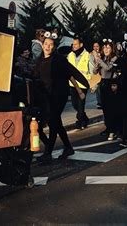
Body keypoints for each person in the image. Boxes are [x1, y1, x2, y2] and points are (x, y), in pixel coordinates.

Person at [35, 33, 89, 163]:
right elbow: (35, 76)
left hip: (59, 95)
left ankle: (48, 152)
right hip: (46, 96)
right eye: (46, 44)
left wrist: (82, 87)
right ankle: (68, 147)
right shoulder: (39, 59)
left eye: (51, 44)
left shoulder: (58, 59)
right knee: (55, 122)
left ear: (54, 47)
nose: (48, 47)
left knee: (53, 121)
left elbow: (71, 73)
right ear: (42, 45)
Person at [94, 39, 119, 140]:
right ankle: (108, 127)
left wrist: (100, 61)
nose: (106, 49)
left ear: (112, 49)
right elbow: (95, 71)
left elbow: (108, 68)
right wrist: (97, 63)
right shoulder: (103, 58)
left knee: (111, 108)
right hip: (102, 83)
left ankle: (113, 129)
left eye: (108, 47)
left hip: (111, 83)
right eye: (104, 47)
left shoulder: (114, 58)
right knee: (104, 108)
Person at [67, 37, 91, 130]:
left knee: (81, 105)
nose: (74, 46)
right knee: (74, 104)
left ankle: (81, 122)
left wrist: (93, 83)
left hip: (83, 84)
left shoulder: (87, 55)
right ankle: (84, 118)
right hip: (72, 84)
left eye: (76, 44)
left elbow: (91, 70)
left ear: (81, 45)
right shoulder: (70, 55)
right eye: (73, 44)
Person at [90, 42, 102, 109]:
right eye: (94, 46)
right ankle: (99, 102)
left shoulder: (102, 53)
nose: (96, 48)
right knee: (98, 88)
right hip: (95, 73)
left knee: (100, 88)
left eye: (97, 46)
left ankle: (101, 102)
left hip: (102, 73)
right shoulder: (91, 54)